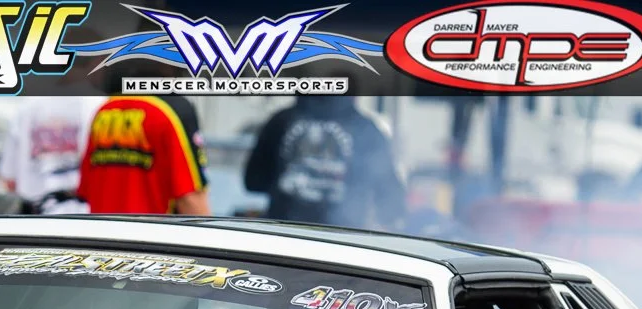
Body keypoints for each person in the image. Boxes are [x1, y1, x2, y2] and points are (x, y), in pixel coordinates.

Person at [244, 95, 404, 230]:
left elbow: (254, 181)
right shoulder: (367, 130)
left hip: (284, 236)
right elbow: (391, 202)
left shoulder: (280, 122)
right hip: (342, 242)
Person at [78, 94, 208, 216]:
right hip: (155, 230)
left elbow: (87, 188)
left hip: (100, 230)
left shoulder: (105, 109)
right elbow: (191, 199)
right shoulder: (173, 109)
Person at [0, 96, 100, 213]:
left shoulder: (25, 107)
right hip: (83, 213)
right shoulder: (96, 104)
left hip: (37, 212)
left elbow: (9, 177)